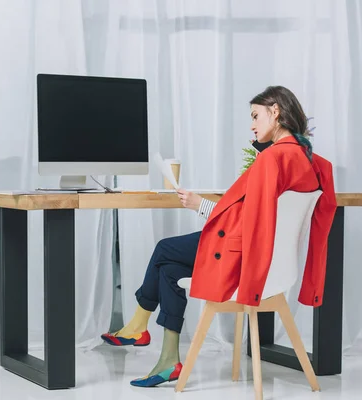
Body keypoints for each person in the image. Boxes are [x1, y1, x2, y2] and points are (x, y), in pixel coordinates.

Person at [101, 86, 337, 387]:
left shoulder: (274, 159)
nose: (252, 125)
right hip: (272, 266)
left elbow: (250, 221)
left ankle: (138, 325)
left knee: (164, 250)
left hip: (246, 258)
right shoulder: (311, 162)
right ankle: (167, 359)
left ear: (275, 112)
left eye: (255, 116)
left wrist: (200, 205)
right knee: (170, 269)